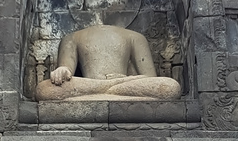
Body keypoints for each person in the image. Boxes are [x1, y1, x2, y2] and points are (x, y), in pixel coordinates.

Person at [35, 24, 181, 101]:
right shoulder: (72, 37)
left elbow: (150, 78)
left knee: (170, 88)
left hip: (100, 87)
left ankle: (103, 89)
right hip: (103, 85)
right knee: (44, 90)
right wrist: (63, 71)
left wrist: (125, 80)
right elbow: (66, 68)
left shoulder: (136, 37)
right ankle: (109, 88)